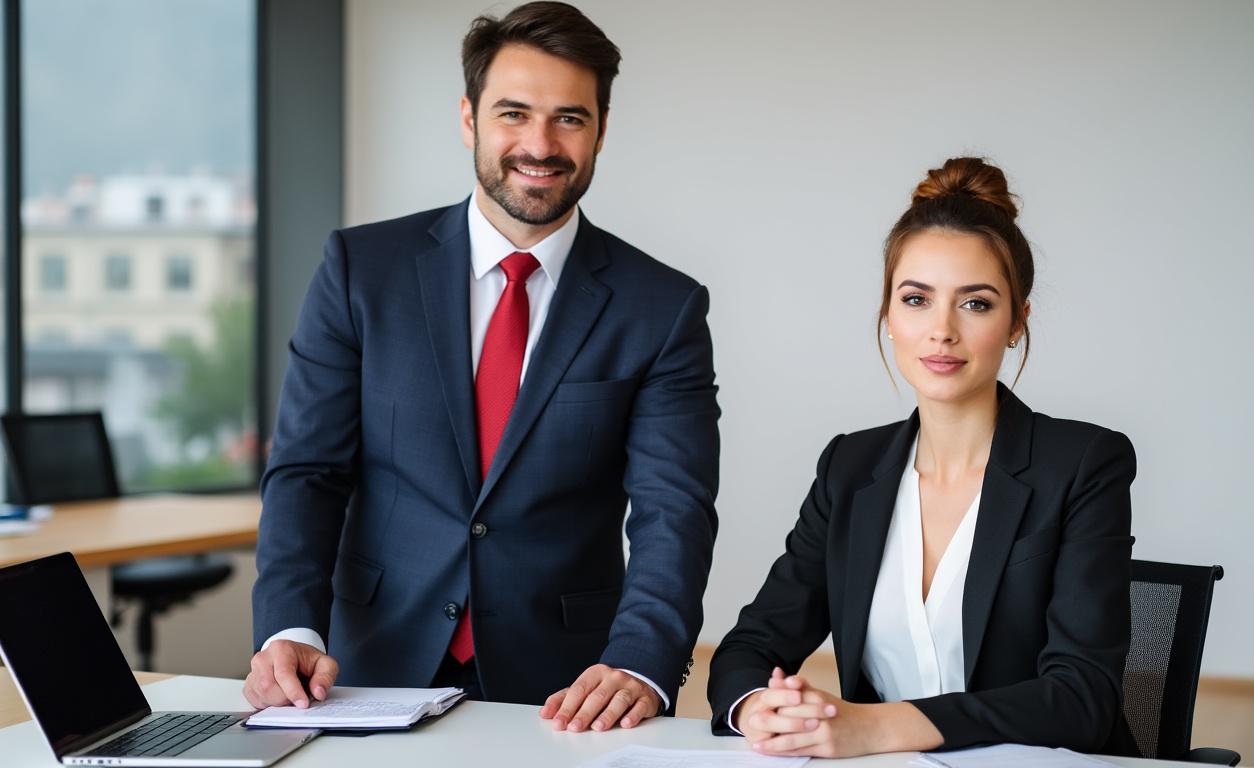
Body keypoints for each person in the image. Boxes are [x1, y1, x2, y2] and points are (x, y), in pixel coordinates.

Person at [245, 2, 719, 734]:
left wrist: (641, 660)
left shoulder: (663, 307)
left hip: (572, 688)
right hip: (364, 667)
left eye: (570, 118)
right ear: (469, 119)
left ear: (600, 131)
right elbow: (309, 470)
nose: (540, 143)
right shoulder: (360, 271)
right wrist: (290, 629)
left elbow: (673, 510)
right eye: (513, 113)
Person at [707, 157, 1138, 757]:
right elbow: (751, 646)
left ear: (1018, 321)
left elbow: (1081, 699)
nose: (941, 331)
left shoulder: (1084, 463)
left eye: (976, 304)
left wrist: (875, 726)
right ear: (887, 314)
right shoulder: (849, 468)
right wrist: (759, 707)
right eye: (916, 299)